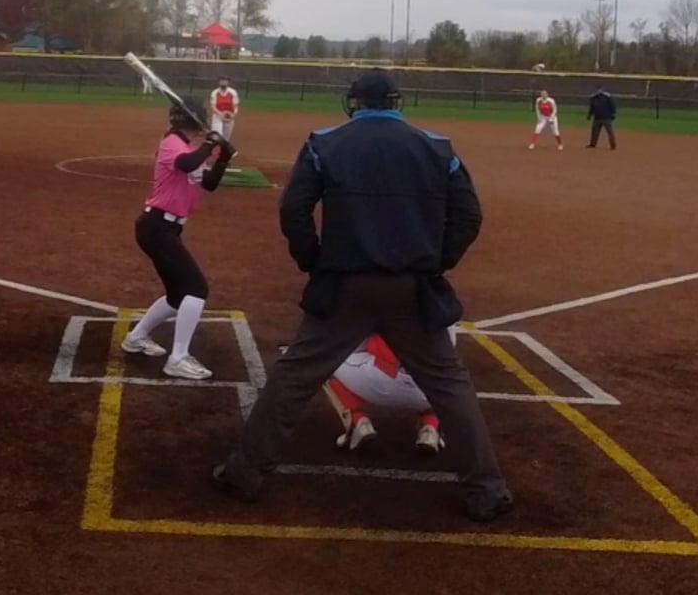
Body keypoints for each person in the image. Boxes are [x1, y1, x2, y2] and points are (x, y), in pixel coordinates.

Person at [211, 69, 513, 523]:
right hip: (413, 287)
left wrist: (314, 260)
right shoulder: (437, 147)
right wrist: (437, 261)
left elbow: (293, 209)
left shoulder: (324, 143)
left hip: (344, 285)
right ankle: (487, 491)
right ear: (396, 101)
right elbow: (468, 215)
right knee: (449, 385)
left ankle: (245, 473)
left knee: (296, 376)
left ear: (355, 102)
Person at [120, 105, 236, 380]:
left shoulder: (189, 148)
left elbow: (208, 183)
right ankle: (178, 358)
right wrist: (210, 144)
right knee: (196, 288)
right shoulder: (172, 142)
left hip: (167, 229)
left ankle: (136, 338)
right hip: (157, 226)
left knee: (177, 295)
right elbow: (186, 164)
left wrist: (222, 159)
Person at [322, 334, 446, 456]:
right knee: (445, 372)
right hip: (432, 392)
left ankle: (358, 422)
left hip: (385, 382)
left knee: (329, 356)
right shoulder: (445, 320)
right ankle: (430, 428)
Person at [208, 77, 240, 141]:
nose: (223, 82)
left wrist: (233, 114)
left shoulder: (233, 92)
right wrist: (221, 113)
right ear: (218, 82)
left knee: (226, 138)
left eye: (225, 81)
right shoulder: (215, 92)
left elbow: (235, 106)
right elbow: (213, 106)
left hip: (229, 116)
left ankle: (223, 146)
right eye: (221, 81)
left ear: (228, 82)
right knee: (216, 136)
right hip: (218, 116)